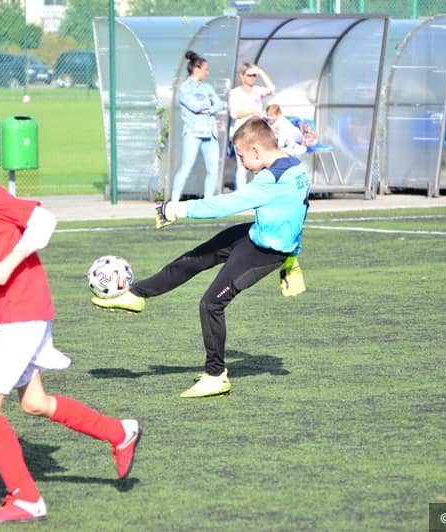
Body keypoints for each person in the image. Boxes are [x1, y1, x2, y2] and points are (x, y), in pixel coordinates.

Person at [0, 122, 141, 524]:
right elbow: (2, 253)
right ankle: (120, 432)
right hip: (21, 312)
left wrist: (7, 266)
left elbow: (44, 221)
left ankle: (26, 498)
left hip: (23, 318)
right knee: (34, 403)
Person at [92, 117, 309, 398]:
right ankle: (135, 295)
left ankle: (216, 376)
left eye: (241, 156)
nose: (241, 162)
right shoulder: (296, 167)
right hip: (256, 234)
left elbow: (225, 204)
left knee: (211, 305)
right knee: (197, 258)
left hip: (265, 252)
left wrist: (177, 209)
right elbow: (298, 215)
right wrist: (294, 257)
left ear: (256, 150)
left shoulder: (270, 181)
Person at [169, 50, 226, 201]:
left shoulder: (208, 87)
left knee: (213, 169)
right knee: (186, 167)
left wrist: (210, 109)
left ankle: (208, 201)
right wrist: (209, 103)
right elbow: (194, 106)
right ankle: (173, 201)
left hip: (210, 133)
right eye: (205, 69)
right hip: (193, 133)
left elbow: (219, 104)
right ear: (196, 69)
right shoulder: (185, 88)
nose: (208, 72)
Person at [228, 63, 275, 191]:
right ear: (242, 76)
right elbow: (234, 113)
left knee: (261, 164)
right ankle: (241, 194)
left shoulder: (257, 90)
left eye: (254, 75)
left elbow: (271, 88)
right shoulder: (235, 93)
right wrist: (251, 111)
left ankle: (258, 192)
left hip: (257, 132)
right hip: (242, 133)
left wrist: (261, 71)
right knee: (242, 166)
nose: (252, 78)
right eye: (249, 75)